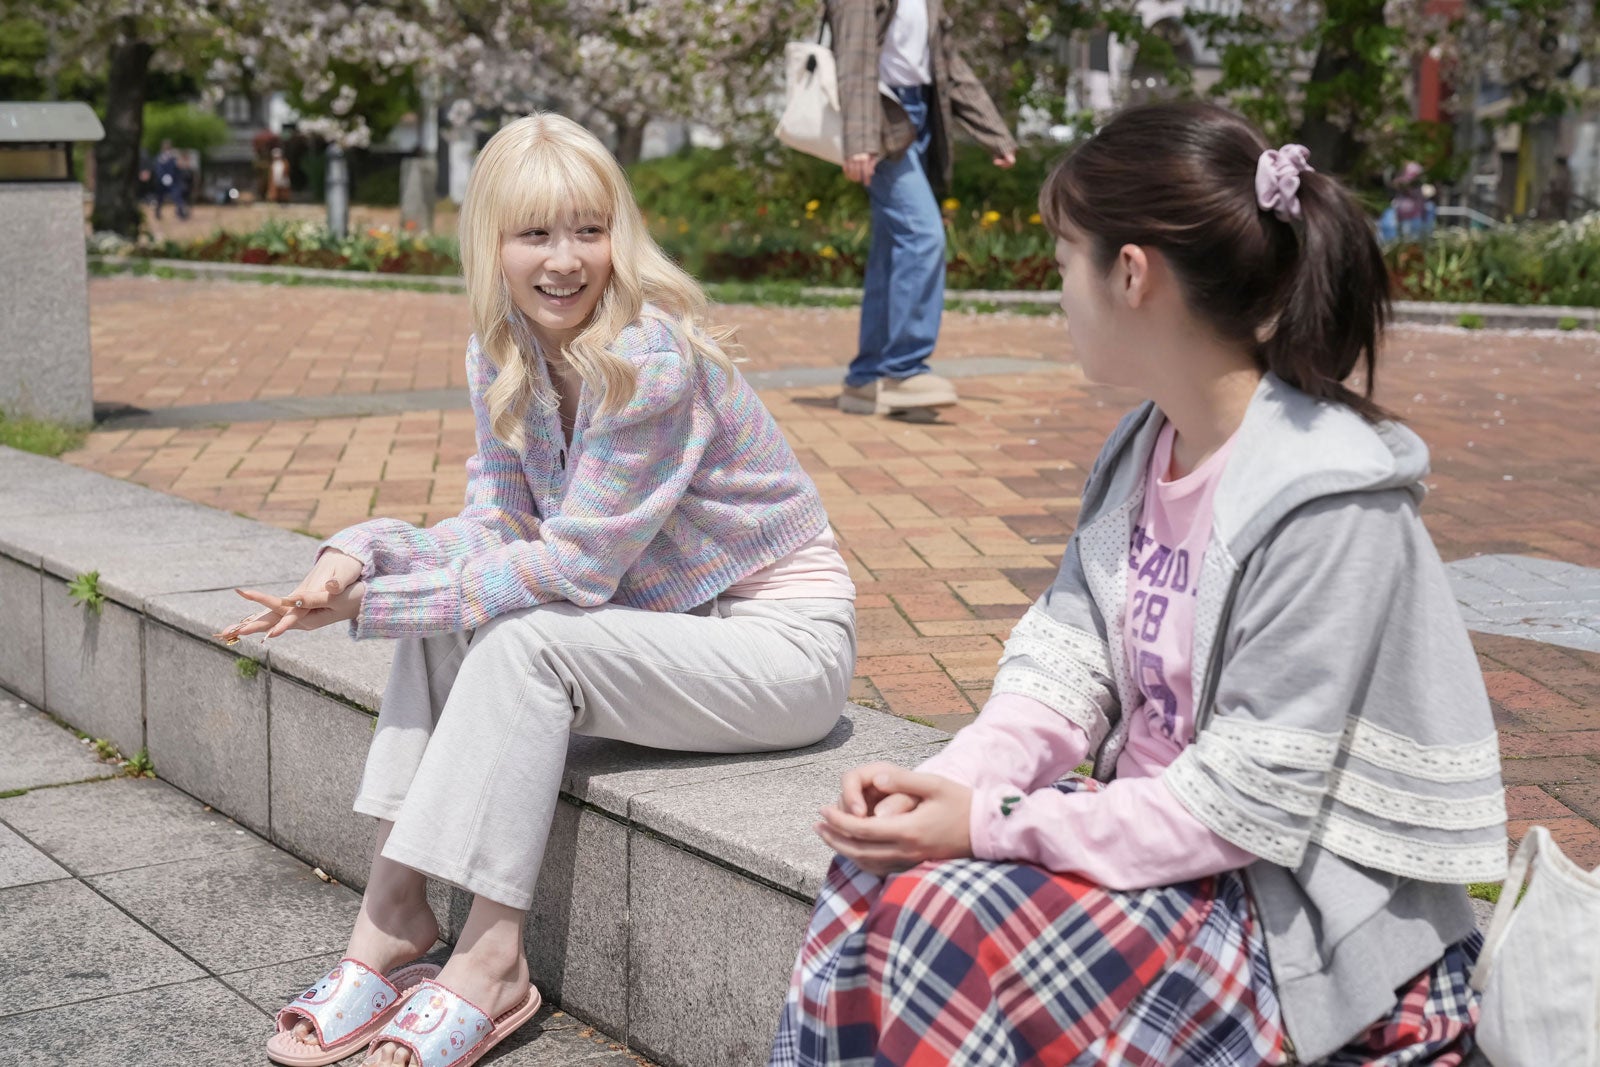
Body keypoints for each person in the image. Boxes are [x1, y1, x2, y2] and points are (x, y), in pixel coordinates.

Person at [772, 101, 1507, 1066]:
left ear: (1130, 273)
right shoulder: (1145, 445)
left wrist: (990, 825)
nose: (1057, 291)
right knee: (876, 876)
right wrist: (949, 785)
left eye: (1063, 259)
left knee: (949, 925)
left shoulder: (1327, 499)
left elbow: (1239, 805)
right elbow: (1063, 665)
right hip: (1164, 851)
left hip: (1288, 910)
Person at [225, 112, 858, 1067]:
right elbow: (495, 527)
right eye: (534, 234)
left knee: (520, 635)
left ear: (619, 236)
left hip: (780, 650)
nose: (565, 261)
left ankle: (491, 961)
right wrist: (361, 555)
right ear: (492, 243)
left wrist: (378, 603)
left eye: (588, 231)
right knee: (452, 612)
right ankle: (391, 915)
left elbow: (575, 567)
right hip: (665, 634)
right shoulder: (504, 349)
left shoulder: (649, 358)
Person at [828, 0, 1017, 419]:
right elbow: (854, 59)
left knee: (891, 252)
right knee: (922, 235)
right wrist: (860, 139)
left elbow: (948, 64)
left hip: (919, 115)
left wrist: (993, 132)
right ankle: (904, 370)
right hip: (881, 118)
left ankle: (866, 380)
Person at [152, 139, 189, 220]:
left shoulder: (174, 157)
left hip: (173, 181)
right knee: (160, 198)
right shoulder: (159, 157)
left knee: (177, 196)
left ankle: (181, 212)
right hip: (161, 181)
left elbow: (179, 167)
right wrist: (163, 177)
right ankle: (157, 212)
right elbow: (157, 169)